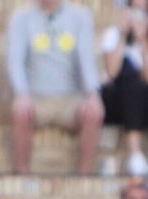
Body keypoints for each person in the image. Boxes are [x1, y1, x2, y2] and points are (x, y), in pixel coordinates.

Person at [6, 0, 103, 175]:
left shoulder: (80, 16)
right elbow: (15, 61)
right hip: (35, 98)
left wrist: (93, 94)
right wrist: (21, 94)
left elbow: (86, 59)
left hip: (70, 99)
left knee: (95, 113)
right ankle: (21, 174)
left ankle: (83, 175)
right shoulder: (20, 17)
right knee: (20, 111)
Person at [98, 0, 148, 178]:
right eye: (134, 11)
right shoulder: (113, 35)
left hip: (143, 104)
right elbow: (112, 72)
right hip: (114, 101)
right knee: (131, 83)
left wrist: (143, 41)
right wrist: (123, 35)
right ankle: (135, 153)